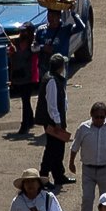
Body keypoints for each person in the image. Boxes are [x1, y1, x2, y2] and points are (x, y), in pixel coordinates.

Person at [70, 99, 106, 211]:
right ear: (91, 115)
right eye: (96, 117)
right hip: (88, 170)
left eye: (102, 117)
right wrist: (71, 162)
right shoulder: (83, 128)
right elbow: (75, 147)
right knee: (87, 198)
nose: (99, 120)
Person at [37, 51, 71, 188]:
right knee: (51, 149)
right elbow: (52, 105)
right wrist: (57, 123)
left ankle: (59, 175)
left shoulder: (55, 78)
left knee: (58, 149)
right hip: (53, 121)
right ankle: (43, 177)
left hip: (57, 119)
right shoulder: (51, 80)